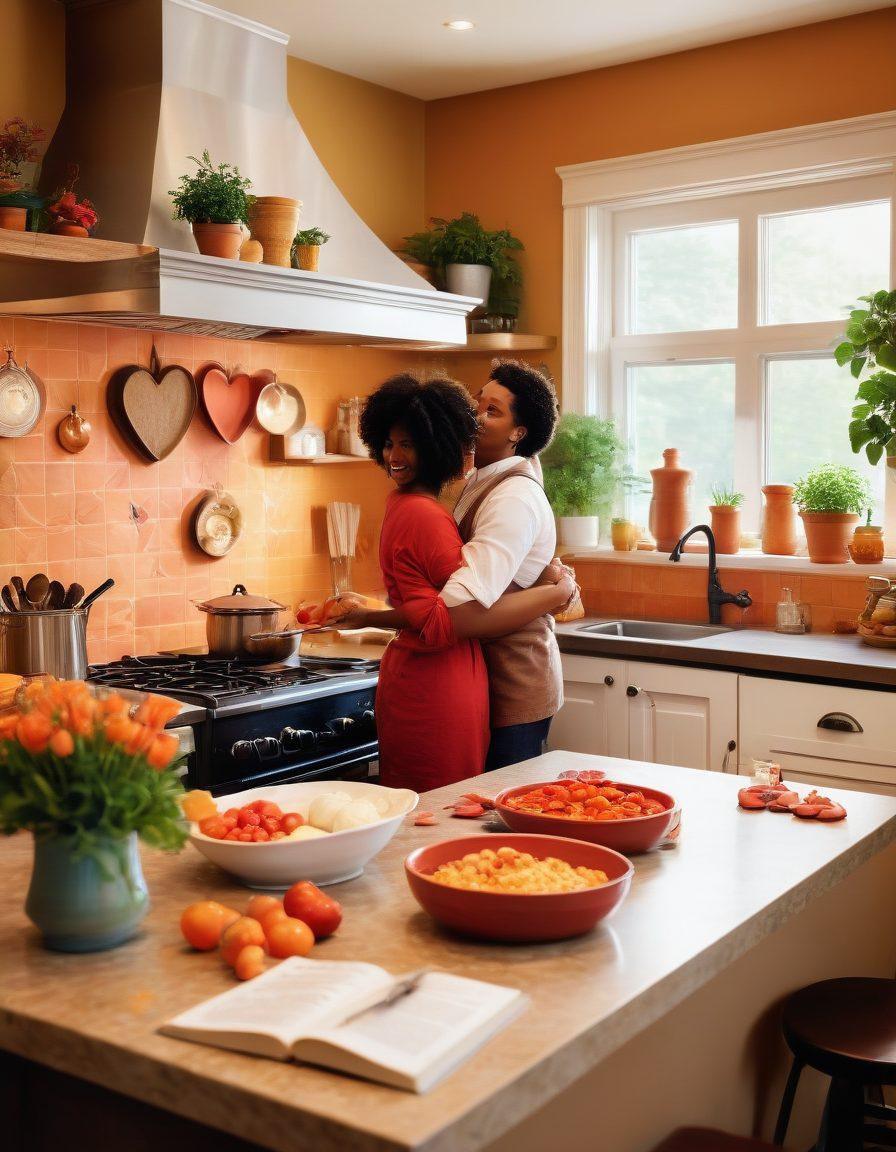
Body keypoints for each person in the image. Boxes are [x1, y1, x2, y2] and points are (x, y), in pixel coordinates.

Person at [340, 359, 570, 773]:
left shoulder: (511, 498)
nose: (475, 416)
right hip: (479, 680)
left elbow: (458, 614)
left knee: (494, 819)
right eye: (477, 403)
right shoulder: (476, 484)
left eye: (493, 411)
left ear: (519, 434)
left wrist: (558, 592)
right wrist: (555, 591)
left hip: (512, 685)